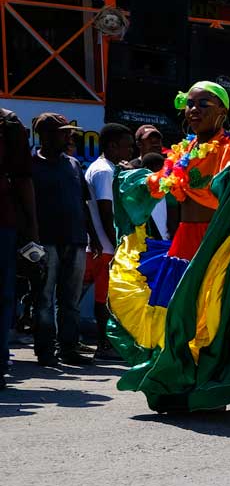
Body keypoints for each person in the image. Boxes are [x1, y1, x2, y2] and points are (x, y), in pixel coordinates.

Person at [106, 81, 230, 412]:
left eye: (203, 104)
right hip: (183, 244)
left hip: (219, 243)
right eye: (190, 104)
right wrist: (133, 182)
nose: (193, 110)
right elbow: (157, 186)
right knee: (180, 314)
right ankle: (192, 387)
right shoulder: (183, 151)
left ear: (222, 111)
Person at [29, 113, 93, 367]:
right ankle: (45, 351)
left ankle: (69, 348)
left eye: (68, 131)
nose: (68, 136)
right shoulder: (31, 164)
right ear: (44, 134)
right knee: (44, 299)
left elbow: (82, 203)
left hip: (75, 239)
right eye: (61, 132)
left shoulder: (74, 164)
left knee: (71, 299)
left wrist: (93, 237)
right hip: (44, 241)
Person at [85, 123, 134, 360]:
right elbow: (107, 211)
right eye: (127, 147)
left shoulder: (107, 168)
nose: (130, 152)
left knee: (100, 298)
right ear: (112, 146)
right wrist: (117, 245)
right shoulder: (104, 171)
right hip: (103, 248)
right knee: (103, 299)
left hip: (102, 246)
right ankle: (103, 346)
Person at [0, 106, 38, 389]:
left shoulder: (8, 121)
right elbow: (23, 178)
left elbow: (23, 177)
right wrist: (32, 229)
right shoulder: (7, 120)